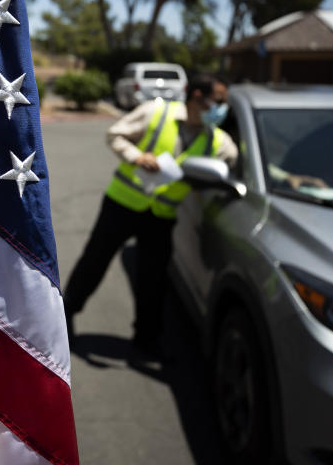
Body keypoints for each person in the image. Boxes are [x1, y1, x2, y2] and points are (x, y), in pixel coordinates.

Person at [63, 73, 238, 357]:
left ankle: (147, 337)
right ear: (197, 97)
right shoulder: (157, 112)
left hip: (161, 215)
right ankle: (65, 315)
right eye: (218, 101)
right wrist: (136, 157)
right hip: (122, 204)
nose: (222, 109)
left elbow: (236, 166)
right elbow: (115, 134)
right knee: (94, 262)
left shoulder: (218, 141)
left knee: (153, 279)